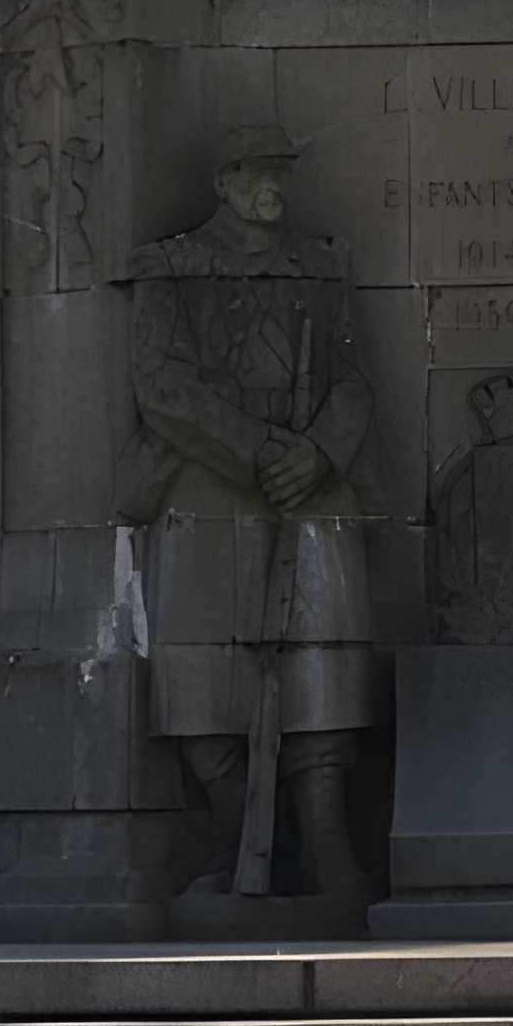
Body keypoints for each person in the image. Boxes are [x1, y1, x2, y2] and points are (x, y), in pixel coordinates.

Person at [121, 125, 380, 900]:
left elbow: (355, 380)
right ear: (226, 180)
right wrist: (254, 449)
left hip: (309, 482)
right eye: (262, 170)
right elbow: (161, 385)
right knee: (196, 664)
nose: (277, 184)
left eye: (284, 170)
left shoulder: (321, 269)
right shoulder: (174, 268)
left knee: (327, 650)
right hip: (208, 478)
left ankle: (326, 830)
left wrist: (320, 454)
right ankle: (235, 824)